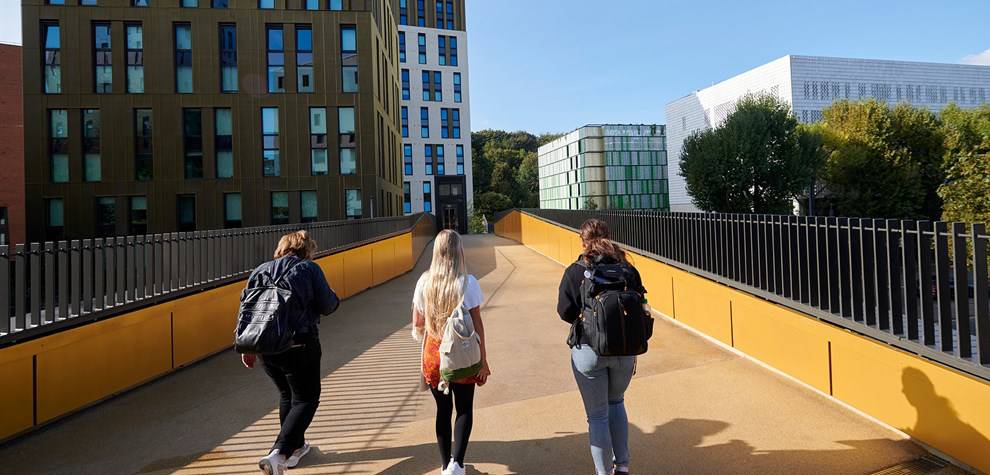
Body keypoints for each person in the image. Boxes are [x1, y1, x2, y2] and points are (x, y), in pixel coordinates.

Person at [240, 230, 339, 475]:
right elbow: (327, 305)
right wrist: (334, 299)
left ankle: (296, 448)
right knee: (306, 398)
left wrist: (246, 346)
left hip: (265, 346)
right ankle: (279, 453)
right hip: (299, 343)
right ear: (307, 249)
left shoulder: (260, 270)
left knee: (288, 395)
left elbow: (247, 307)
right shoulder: (308, 269)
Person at [557, 219, 647, 475]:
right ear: (608, 236)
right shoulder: (627, 268)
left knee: (597, 416)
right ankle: (623, 466)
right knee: (616, 402)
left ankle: (603, 472)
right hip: (625, 350)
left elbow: (564, 311)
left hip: (589, 351)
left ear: (583, 241)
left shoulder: (575, 270)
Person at [412, 230, 491, 475]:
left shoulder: (424, 281)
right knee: (464, 408)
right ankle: (457, 464)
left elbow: (417, 324)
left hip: (435, 355)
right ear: (459, 251)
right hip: (464, 354)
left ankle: (445, 463)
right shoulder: (469, 282)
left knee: (443, 410)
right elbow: (477, 324)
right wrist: (483, 360)